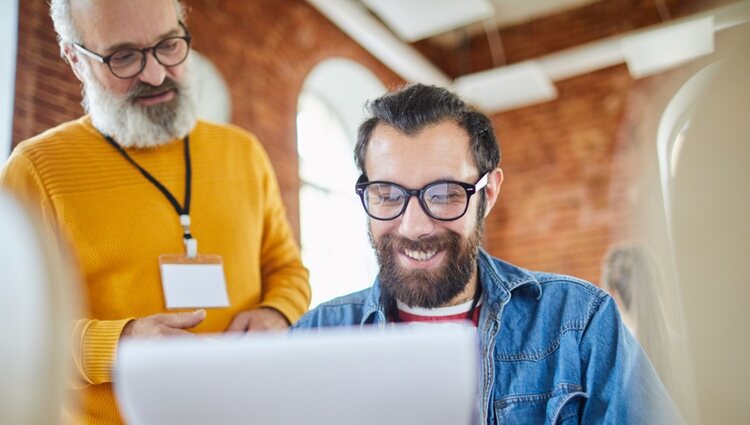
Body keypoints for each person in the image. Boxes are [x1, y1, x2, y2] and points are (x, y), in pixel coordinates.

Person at [294, 83, 679, 424]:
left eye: (444, 195)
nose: (413, 227)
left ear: (488, 193)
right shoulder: (313, 339)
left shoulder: (579, 323)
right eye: (387, 195)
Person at [0, 0, 310, 423]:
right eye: (124, 56)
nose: (156, 73)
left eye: (168, 45)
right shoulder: (35, 169)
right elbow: (11, 332)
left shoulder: (243, 152)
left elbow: (288, 269)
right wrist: (120, 344)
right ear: (74, 58)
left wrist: (276, 312)